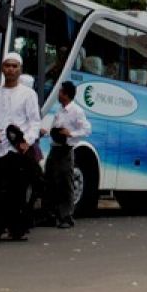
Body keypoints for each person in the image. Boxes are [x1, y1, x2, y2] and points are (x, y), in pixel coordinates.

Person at [0, 52, 41, 244]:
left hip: (18, 149)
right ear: (2, 69)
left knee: (17, 190)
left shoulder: (28, 94)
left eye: (15, 66)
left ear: (20, 69)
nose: (11, 69)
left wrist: (28, 140)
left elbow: (34, 122)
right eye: (8, 65)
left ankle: (17, 230)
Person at [44, 80, 91, 229]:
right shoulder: (60, 110)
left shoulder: (76, 111)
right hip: (55, 148)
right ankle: (51, 215)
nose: (58, 93)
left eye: (60, 91)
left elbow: (87, 129)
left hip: (65, 149)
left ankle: (66, 216)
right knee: (50, 180)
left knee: (65, 182)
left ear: (66, 94)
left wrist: (71, 133)